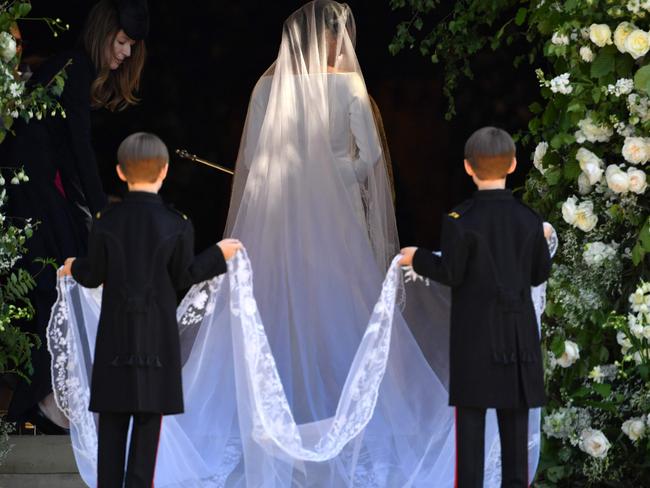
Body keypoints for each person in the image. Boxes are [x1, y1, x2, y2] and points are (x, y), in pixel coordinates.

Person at [59, 132, 242, 487]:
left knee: (110, 435)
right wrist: (219, 254)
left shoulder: (104, 221)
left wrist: (72, 265)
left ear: (120, 172)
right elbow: (184, 275)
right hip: (156, 348)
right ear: (165, 172)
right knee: (146, 438)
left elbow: (93, 274)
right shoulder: (178, 223)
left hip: (114, 346)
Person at [5, 0, 148, 432]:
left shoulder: (71, 68)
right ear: (105, 32)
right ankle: (46, 401)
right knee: (55, 287)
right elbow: (79, 147)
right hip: (33, 197)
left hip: (39, 194)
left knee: (57, 288)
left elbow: (70, 152)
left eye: (131, 45)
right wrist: (100, 212)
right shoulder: (74, 66)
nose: (124, 53)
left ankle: (45, 401)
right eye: (121, 42)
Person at [399, 127, 553, 488]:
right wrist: (541, 239)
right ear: (513, 164)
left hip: (475, 342)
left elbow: (450, 272)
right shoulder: (529, 220)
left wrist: (416, 257)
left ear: (468, 168)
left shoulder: (460, 219)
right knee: (515, 437)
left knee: (470, 436)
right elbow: (538, 274)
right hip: (518, 343)